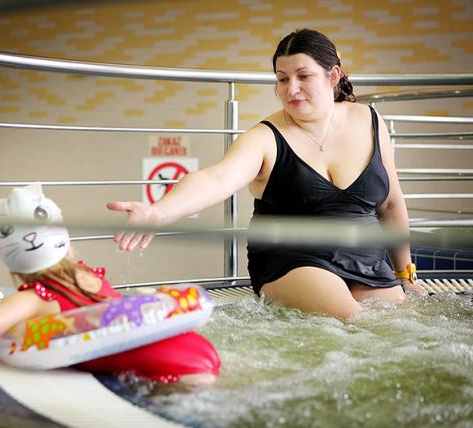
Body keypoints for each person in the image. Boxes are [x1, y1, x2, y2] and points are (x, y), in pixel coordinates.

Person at [107, 28, 428, 319]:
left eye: (303, 76)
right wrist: (159, 212)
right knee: (353, 319)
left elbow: (391, 203)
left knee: (399, 325)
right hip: (295, 258)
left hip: (366, 260)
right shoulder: (265, 138)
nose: (292, 89)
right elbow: (217, 178)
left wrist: (406, 275)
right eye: (282, 79)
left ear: (333, 76)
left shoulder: (368, 121)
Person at [0, 183, 220, 385]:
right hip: (193, 349)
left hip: (166, 369)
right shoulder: (90, 276)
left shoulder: (33, 297)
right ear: (66, 242)